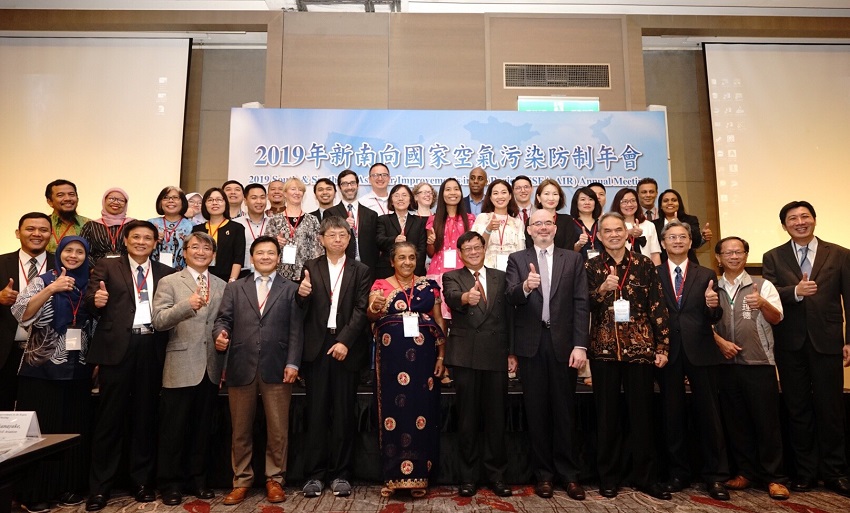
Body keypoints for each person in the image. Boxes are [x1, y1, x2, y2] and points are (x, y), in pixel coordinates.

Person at [84, 220, 177, 511]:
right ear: (125, 240)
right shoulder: (107, 266)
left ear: (155, 242)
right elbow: (89, 299)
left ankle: (141, 482)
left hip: (151, 347)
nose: (141, 242)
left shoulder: (166, 272)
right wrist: (95, 301)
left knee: (144, 419)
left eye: (147, 238)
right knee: (109, 420)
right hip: (117, 350)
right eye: (135, 237)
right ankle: (100, 488)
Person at [762, 200, 850, 498]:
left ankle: (835, 472)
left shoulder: (840, 254)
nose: (800, 222)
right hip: (790, 343)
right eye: (792, 218)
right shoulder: (773, 256)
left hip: (827, 341)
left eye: (805, 216)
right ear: (784, 224)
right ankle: (806, 472)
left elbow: (849, 299)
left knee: (831, 408)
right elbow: (769, 295)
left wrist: (849, 339)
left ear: (814, 219)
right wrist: (795, 292)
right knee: (798, 409)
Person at [586, 212, 670, 500]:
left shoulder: (644, 264)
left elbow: (658, 306)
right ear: (599, 235)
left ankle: (646, 477)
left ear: (627, 232)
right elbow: (581, 305)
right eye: (607, 230)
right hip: (604, 350)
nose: (613, 234)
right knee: (607, 417)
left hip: (640, 350)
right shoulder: (591, 265)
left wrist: (662, 347)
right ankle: (608, 477)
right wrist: (601, 290)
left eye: (618, 229)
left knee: (642, 416)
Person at [505, 209, 589, 501]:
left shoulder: (573, 259)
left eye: (548, 223)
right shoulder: (517, 259)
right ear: (529, 229)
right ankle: (544, 475)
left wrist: (581, 345)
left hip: (564, 345)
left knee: (564, 411)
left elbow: (581, 303)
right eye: (537, 223)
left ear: (555, 227)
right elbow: (510, 298)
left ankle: (569, 475)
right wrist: (525, 287)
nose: (543, 227)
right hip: (531, 346)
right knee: (536, 411)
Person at [213, 236, 303, 505]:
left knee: (278, 429)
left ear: (278, 257)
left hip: (278, 367)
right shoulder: (235, 288)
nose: (265, 257)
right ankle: (241, 480)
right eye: (260, 253)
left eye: (270, 253)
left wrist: (293, 362)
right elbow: (223, 319)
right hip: (242, 364)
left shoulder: (291, 288)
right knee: (240, 429)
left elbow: (297, 330)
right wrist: (221, 334)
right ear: (251, 258)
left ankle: (275, 479)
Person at [11, 236, 92, 511]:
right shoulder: (44, 280)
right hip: (40, 369)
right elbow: (21, 313)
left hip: (78, 368)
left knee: (71, 430)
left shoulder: (89, 284)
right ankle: (34, 492)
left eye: (80, 251)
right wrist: (51, 289)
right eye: (68, 250)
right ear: (59, 254)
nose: (73, 255)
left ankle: (65, 488)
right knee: (42, 432)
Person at [296, 217, 372, 498]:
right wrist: (301, 294)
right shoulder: (310, 267)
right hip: (317, 347)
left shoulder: (361, 270)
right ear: (321, 239)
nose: (338, 239)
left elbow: (362, 309)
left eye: (343, 235)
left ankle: (341, 474)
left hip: (346, 348)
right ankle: (314, 475)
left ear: (349, 239)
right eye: (332, 235)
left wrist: (344, 342)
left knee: (343, 413)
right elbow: (301, 307)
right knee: (316, 414)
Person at [656, 220, 729, 500]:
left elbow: (714, 316)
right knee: (672, 416)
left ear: (690, 241)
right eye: (671, 237)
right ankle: (678, 473)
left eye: (683, 237)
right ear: (663, 243)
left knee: (709, 415)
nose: (677, 241)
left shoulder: (706, 272)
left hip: (701, 351)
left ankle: (716, 476)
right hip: (668, 353)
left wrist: (713, 307)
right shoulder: (654, 273)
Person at [713, 236, 790, 501]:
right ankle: (746, 472)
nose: (734, 256)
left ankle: (775, 477)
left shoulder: (762, 284)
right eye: (728, 253)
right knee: (736, 422)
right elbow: (704, 324)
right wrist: (720, 342)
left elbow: (777, 318)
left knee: (767, 422)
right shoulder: (712, 287)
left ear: (746, 255)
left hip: (759, 364)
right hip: (725, 364)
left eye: (739, 252)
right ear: (718, 258)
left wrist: (763, 304)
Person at [151, 232, 226, 505]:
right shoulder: (170, 281)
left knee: (202, 428)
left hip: (211, 366)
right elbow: (158, 320)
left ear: (213, 254)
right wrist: (186, 305)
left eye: (207, 248)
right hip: (180, 364)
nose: (202, 252)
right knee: (174, 429)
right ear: (185, 252)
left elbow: (222, 321)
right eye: (195, 247)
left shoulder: (221, 284)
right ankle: (170, 484)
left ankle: (198, 480)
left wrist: (222, 336)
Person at [367, 242, 446, 498]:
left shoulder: (428, 286)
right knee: (392, 414)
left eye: (412, 258)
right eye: (401, 258)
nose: (407, 262)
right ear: (392, 261)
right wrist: (374, 307)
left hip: (423, 363)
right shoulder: (380, 285)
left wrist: (442, 355)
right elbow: (370, 315)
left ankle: (419, 477)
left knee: (422, 412)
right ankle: (392, 477)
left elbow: (438, 320)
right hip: (391, 362)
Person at [442, 231, 511, 498]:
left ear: (484, 247)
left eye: (476, 246)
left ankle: (497, 475)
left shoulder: (500, 276)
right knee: (468, 420)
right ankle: (467, 477)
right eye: (467, 248)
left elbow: (509, 317)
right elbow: (450, 296)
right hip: (465, 356)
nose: (472, 251)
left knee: (496, 418)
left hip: (495, 354)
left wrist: (512, 351)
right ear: (460, 253)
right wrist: (464, 299)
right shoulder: (452, 277)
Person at [0, 213, 53, 412]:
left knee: (43, 414)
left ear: (50, 235)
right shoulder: (1, 262)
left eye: (43, 230)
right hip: (6, 353)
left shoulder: (62, 266)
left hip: (46, 354)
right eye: (30, 229)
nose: (37, 234)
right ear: (17, 233)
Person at [426, 177, 475, 319]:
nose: (452, 193)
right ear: (442, 194)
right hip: (438, 272)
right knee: (439, 318)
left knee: (463, 317)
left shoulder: (470, 219)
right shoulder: (433, 220)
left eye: (456, 189)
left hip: (463, 273)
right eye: (448, 189)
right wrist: (431, 242)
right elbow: (430, 252)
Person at [265, 177, 323, 281]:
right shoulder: (274, 220)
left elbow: (319, 250)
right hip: (280, 276)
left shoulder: (312, 220)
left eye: (300, 190)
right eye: (293, 189)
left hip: (307, 276)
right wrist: (275, 242)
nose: (297, 192)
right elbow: (265, 247)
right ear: (285, 193)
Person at [326, 169, 379, 269]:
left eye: (352, 183)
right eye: (345, 184)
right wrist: (343, 227)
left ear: (358, 185)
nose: (349, 187)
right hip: (340, 266)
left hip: (367, 268)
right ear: (339, 187)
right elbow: (327, 240)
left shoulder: (371, 214)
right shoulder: (330, 213)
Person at [191, 187, 245, 283]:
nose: (214, 203)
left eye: (219, 200)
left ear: (225, 203)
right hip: (201, 278)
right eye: (210, 200)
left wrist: (232, 280)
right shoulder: (197, 229)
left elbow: (238, 257)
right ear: (205, 205)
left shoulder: (236, 228)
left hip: (227, 279)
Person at [471, 179, 524, 271]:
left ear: (510, 196)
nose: (500, 196)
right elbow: (475, 248)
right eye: (495, 193)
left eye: (503, 192)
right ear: (490, 198)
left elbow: (521, 251)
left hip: (512, 271)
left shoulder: (518, 222)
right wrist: (488, 229)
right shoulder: (482, 218)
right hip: (488, 271)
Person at [376, 184, 427, 279]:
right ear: (391, 201)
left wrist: (417, 272)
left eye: (404, 195)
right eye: (396, 195)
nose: (400, 199)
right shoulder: (383, 220)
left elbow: (422, 249)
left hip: (414, 272)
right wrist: (394, 240)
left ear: (410, 200)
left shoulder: (419, 222)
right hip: (387, 271)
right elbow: (379, 241)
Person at [653, 189, 712, 263]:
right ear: (661, 206)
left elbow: (696, 243)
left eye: (674, 200)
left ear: (679, 204)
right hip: (663, 266)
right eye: (666, 201)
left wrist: (680, 225)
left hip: (689, 264)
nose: (670, 203)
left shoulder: (691, 220)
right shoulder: (653, 225)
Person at [80, 188, 134, 265]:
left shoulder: (134, 225)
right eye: (111, 199)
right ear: (104, 201)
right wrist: (93, 269)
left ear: (126, 204)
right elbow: (82, 250)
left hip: (128, 269)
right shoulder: (91, 226)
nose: (116, 202)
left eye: (121, 200)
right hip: (98, 269)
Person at [609, 188, 661, 265]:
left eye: (633, 201)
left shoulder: (649, 225)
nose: (629, 205)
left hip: (645, 271)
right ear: (617, 204)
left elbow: (655, 254)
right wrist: (628, 233)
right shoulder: (612, 225)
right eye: (625, 202)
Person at [525, 178, 579, 252]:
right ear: (538, 198)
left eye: (555, 194)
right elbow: (529, 248)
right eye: (546, 194)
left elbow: (569, 249)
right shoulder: (531, 220)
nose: (551, 198)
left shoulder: (567, 220)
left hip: (563, 262)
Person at [149, 186, 194, 270]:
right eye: (166, 198)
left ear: (183, 202)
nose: (170, 201)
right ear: (160, 202)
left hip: (183, 274)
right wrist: (153, 240)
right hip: (154, 272)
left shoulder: (192, 226)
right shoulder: (150, 224)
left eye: (175, 197)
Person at [45, 179, 91, 253]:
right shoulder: (42, 224)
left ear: (77, 199)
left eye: (71, 194)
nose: (68, 199)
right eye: (60, 195)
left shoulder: (90, 225)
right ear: (50, 201)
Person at [235, 183, 270, 276]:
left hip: (268, 273)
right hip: (242, 274)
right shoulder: (235, 224)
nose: (259, 201)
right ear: (245, 201)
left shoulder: (274, 224)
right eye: (254, 198)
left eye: (262, 197)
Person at [569, 187, 604, 260]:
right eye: (583, 199)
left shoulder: (602, 223)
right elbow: (567, 253)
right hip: (578, 267)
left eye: (591, 199)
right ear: (576, 203)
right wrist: (579, 244)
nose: (587, 203)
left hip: (602, 266)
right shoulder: (569, 224)